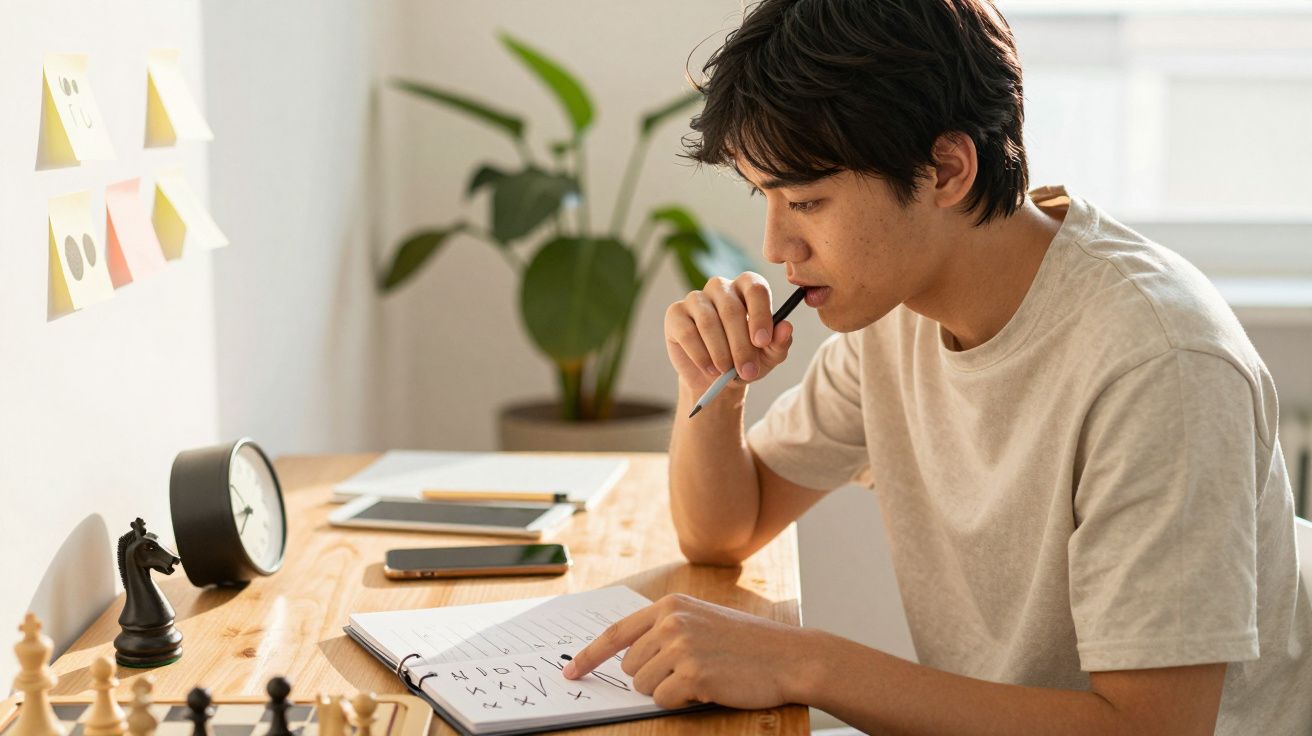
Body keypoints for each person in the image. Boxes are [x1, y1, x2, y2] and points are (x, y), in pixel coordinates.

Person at [562, 0, 1312, 733]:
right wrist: (711, 388)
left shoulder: (1159, 364)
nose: (776, 245)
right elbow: (725, 531)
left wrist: (805, 664)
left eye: (808, 201)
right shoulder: (896, 311)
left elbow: (1153, 728)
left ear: (947, 170)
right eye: (767, 196)